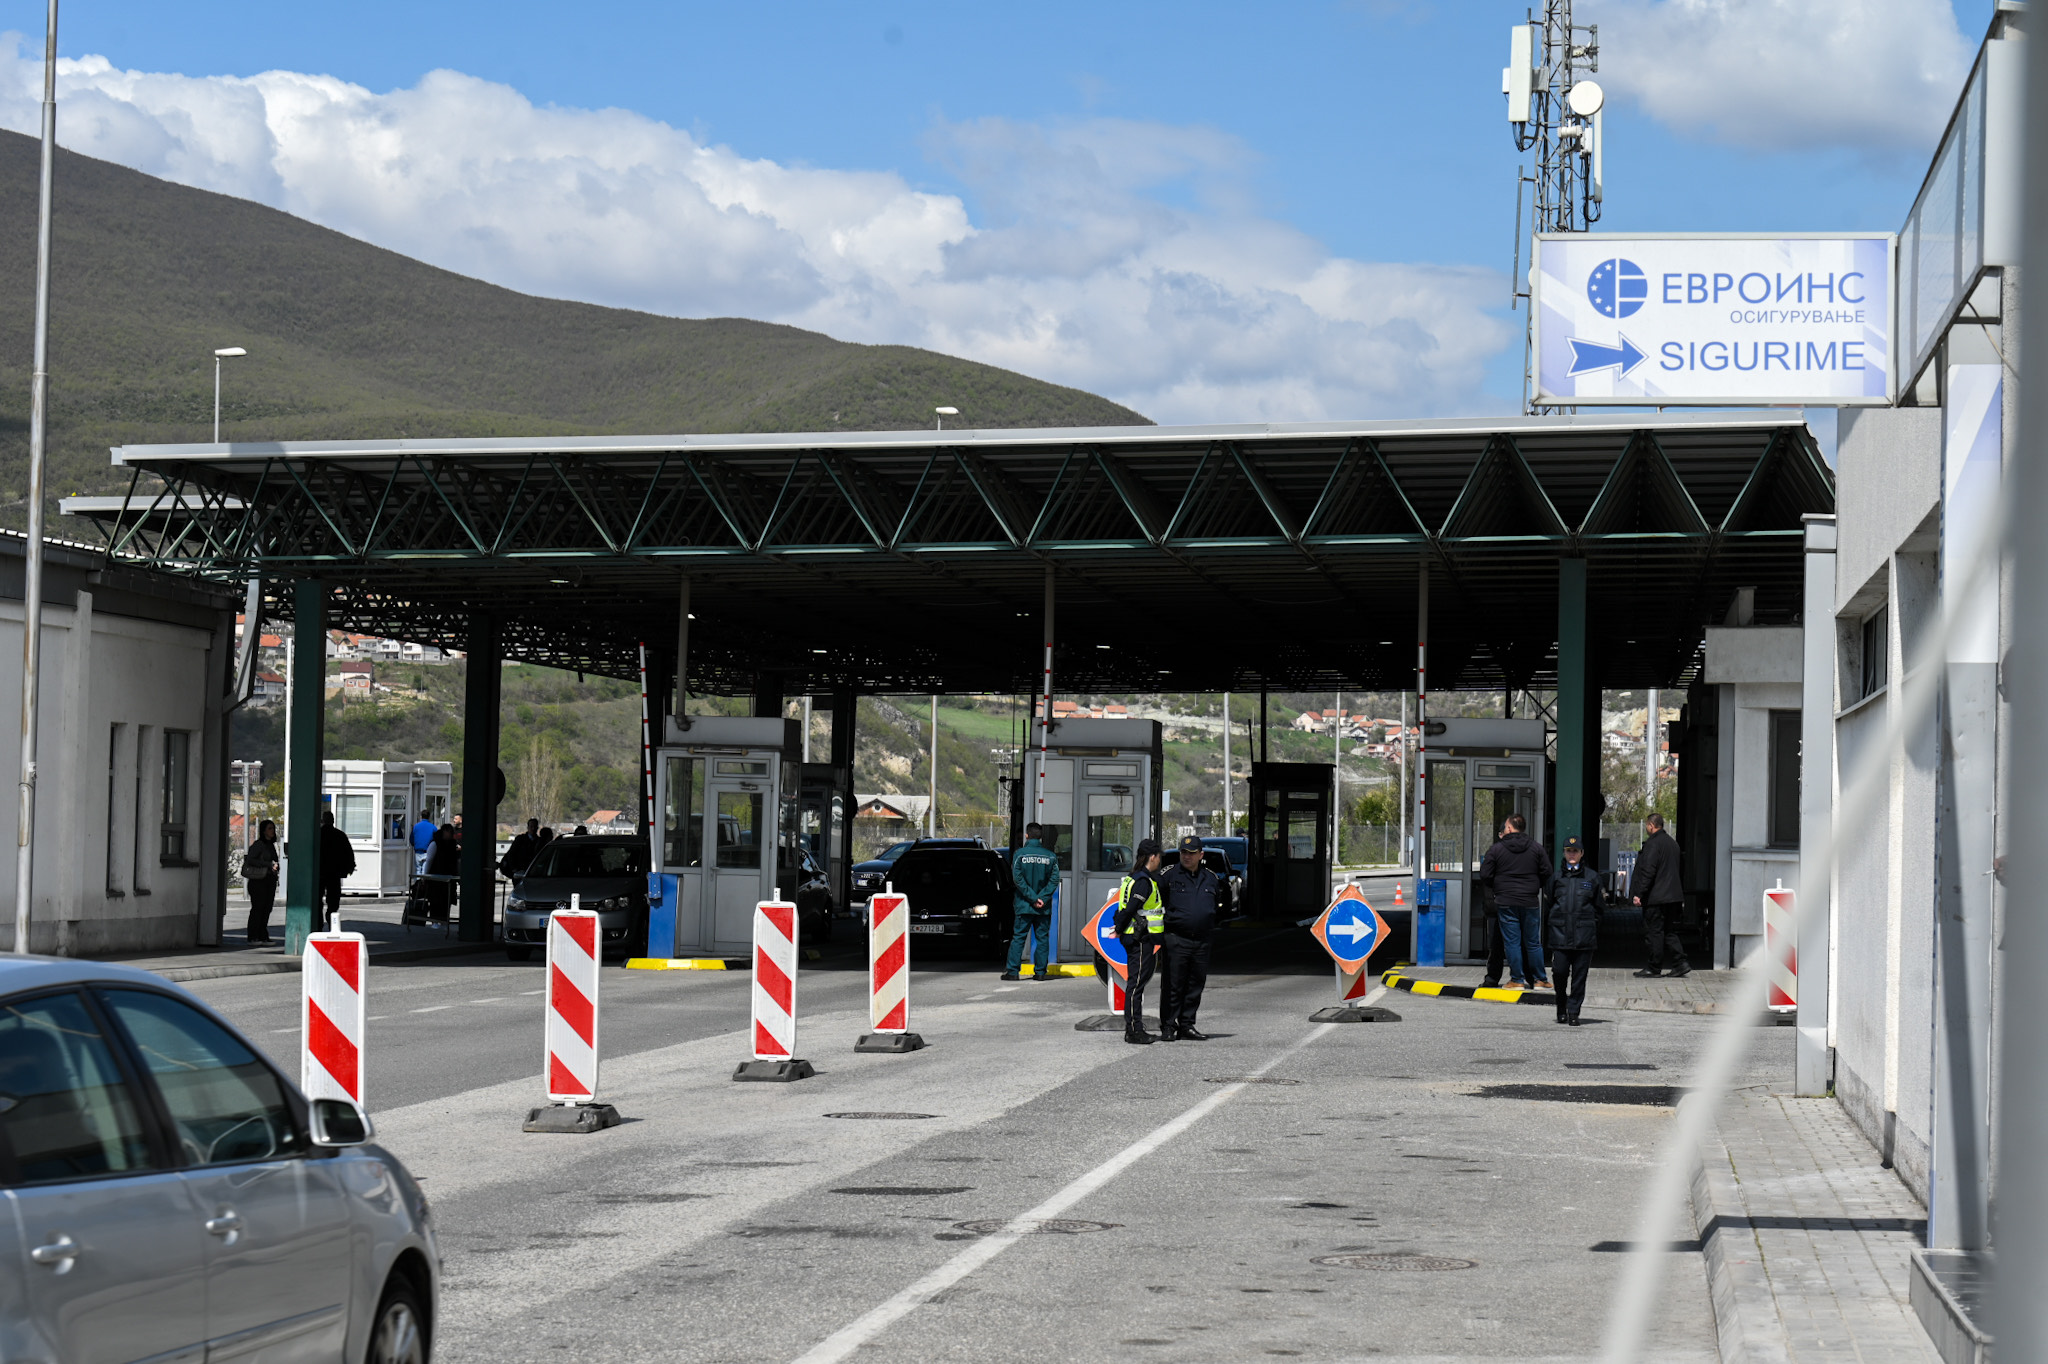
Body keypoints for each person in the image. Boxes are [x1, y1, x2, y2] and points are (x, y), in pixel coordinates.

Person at [1157, 835, 1224, 1040]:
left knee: (1195, 984)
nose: (1187, 856)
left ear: (1200, 855)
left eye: (1191, 853)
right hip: (1176, 938)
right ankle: (1169, 1026)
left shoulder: (1211, 878)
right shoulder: (1168, 876)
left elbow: (1218, 906)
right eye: (1184, 852)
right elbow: (1157, 904)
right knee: (1173, 984)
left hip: (1202, 939)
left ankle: (1187, 1024)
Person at [1475, 814, 1553, 990]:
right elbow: (1547, 872)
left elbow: (1485, 874)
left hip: (1506, 901)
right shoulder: (1536, 848)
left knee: (1512, 942)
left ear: (1509, 828)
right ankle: (1540, 979)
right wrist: (1534, 886)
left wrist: (1499, 887)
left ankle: (1517, 979)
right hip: (1530, 901)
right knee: (1533, 942)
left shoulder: (1497, 849)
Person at [1545, 836, 1605, 1025]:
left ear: (1581, 854)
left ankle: (1573, 1012)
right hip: (1560, 935)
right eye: (1568, 851)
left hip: (1583, 936)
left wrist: (1589, 926)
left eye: (1575, 851)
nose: (1572, 854)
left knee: (1579, 977)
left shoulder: (1592, 877)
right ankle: (1561, 1006)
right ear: (1564, 853)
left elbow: (1599, 908)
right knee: (1560, 973)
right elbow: (1549, 905)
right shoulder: (1556, 878)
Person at [1114, 839, 1167, 1044]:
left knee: (1135, 984)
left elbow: (1124, 907)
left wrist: (1119, 927)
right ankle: (1134, 1030)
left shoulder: (1132, 877)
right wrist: (1119, 927)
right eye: (1159, 857)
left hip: (1132, 936)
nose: (1159, 861)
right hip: (1140, 938)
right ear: (1152, 857)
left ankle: (1134, 1028)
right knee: (1136, 985)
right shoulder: (1144, 881)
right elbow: (1131, 908)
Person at [1628, 812, 1690, 977]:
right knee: (1669, 931)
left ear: (1651, 825)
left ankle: (1654, 967)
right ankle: (1680, 963)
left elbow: (1648, 871)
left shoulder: (1653, 844)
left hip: (1656, 897)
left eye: (1647, 826)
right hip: (1672, 896)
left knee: (1654, 932)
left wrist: (1639, 893)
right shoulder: (1672, 844)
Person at [1004, 823, 1061, 981]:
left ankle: (1013, 972)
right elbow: (1054, 879)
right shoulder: (1050, 856)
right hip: (1043, 907)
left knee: (1019, 938)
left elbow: (1017, 879)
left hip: (1024, 905)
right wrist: (1041, 898)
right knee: (1042, 938)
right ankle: (1041, 972)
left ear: (1027, 835)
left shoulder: (1020, 855)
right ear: (1041, 837)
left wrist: (1032, 897)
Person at [316, 810, 356, 933]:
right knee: (333, 901)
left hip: (320, 873)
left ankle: (318, 924)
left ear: (323, 820)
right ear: (333, 820)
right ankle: (331, 922)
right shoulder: (340, 835)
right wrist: (349, 868)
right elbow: (348, 853)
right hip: (334, 874)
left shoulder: (318, 835)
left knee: (318, 900)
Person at [243, 820, 280, 944]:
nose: (272, 831)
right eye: (269, 828)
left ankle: (263, 935)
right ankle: (253, 936)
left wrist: (274, 866)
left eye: (273, 828)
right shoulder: (259, 845)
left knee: (267, 908)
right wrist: (268, 864)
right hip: (258, 881)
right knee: (258, 908)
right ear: (264, 830)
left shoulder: (271, 845)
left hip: (269, 880)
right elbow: (251, 860)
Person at [410, 811, 438, 877]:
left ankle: (418, 885)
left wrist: (415, 845)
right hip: (428, 852)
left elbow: (411, 839)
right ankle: (424, 885)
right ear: (429, 817)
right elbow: (437, 839)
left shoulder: (416, 827)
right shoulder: (433, 827)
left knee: (418, 870)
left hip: (418, 851)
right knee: (425, 872)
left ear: (421, 816)